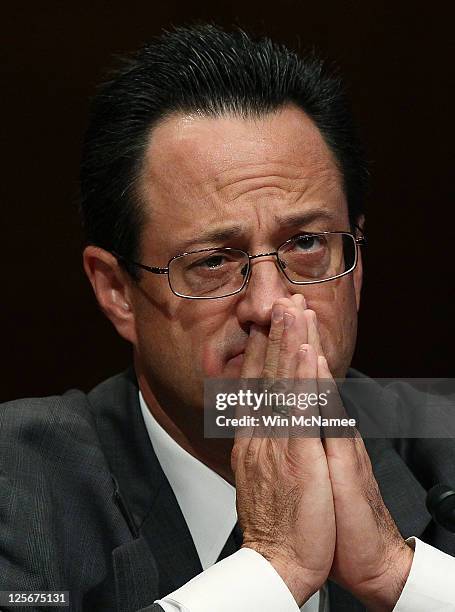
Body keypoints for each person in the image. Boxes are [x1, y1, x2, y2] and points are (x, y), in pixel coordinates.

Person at [1, 23, 455, 612]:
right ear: (117, 291)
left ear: (357, 263)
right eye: (213, 261)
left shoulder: (441, 451)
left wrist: (399, 576)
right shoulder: (18, 487)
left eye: (307, 245)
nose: (269, 304)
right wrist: (272, 571)